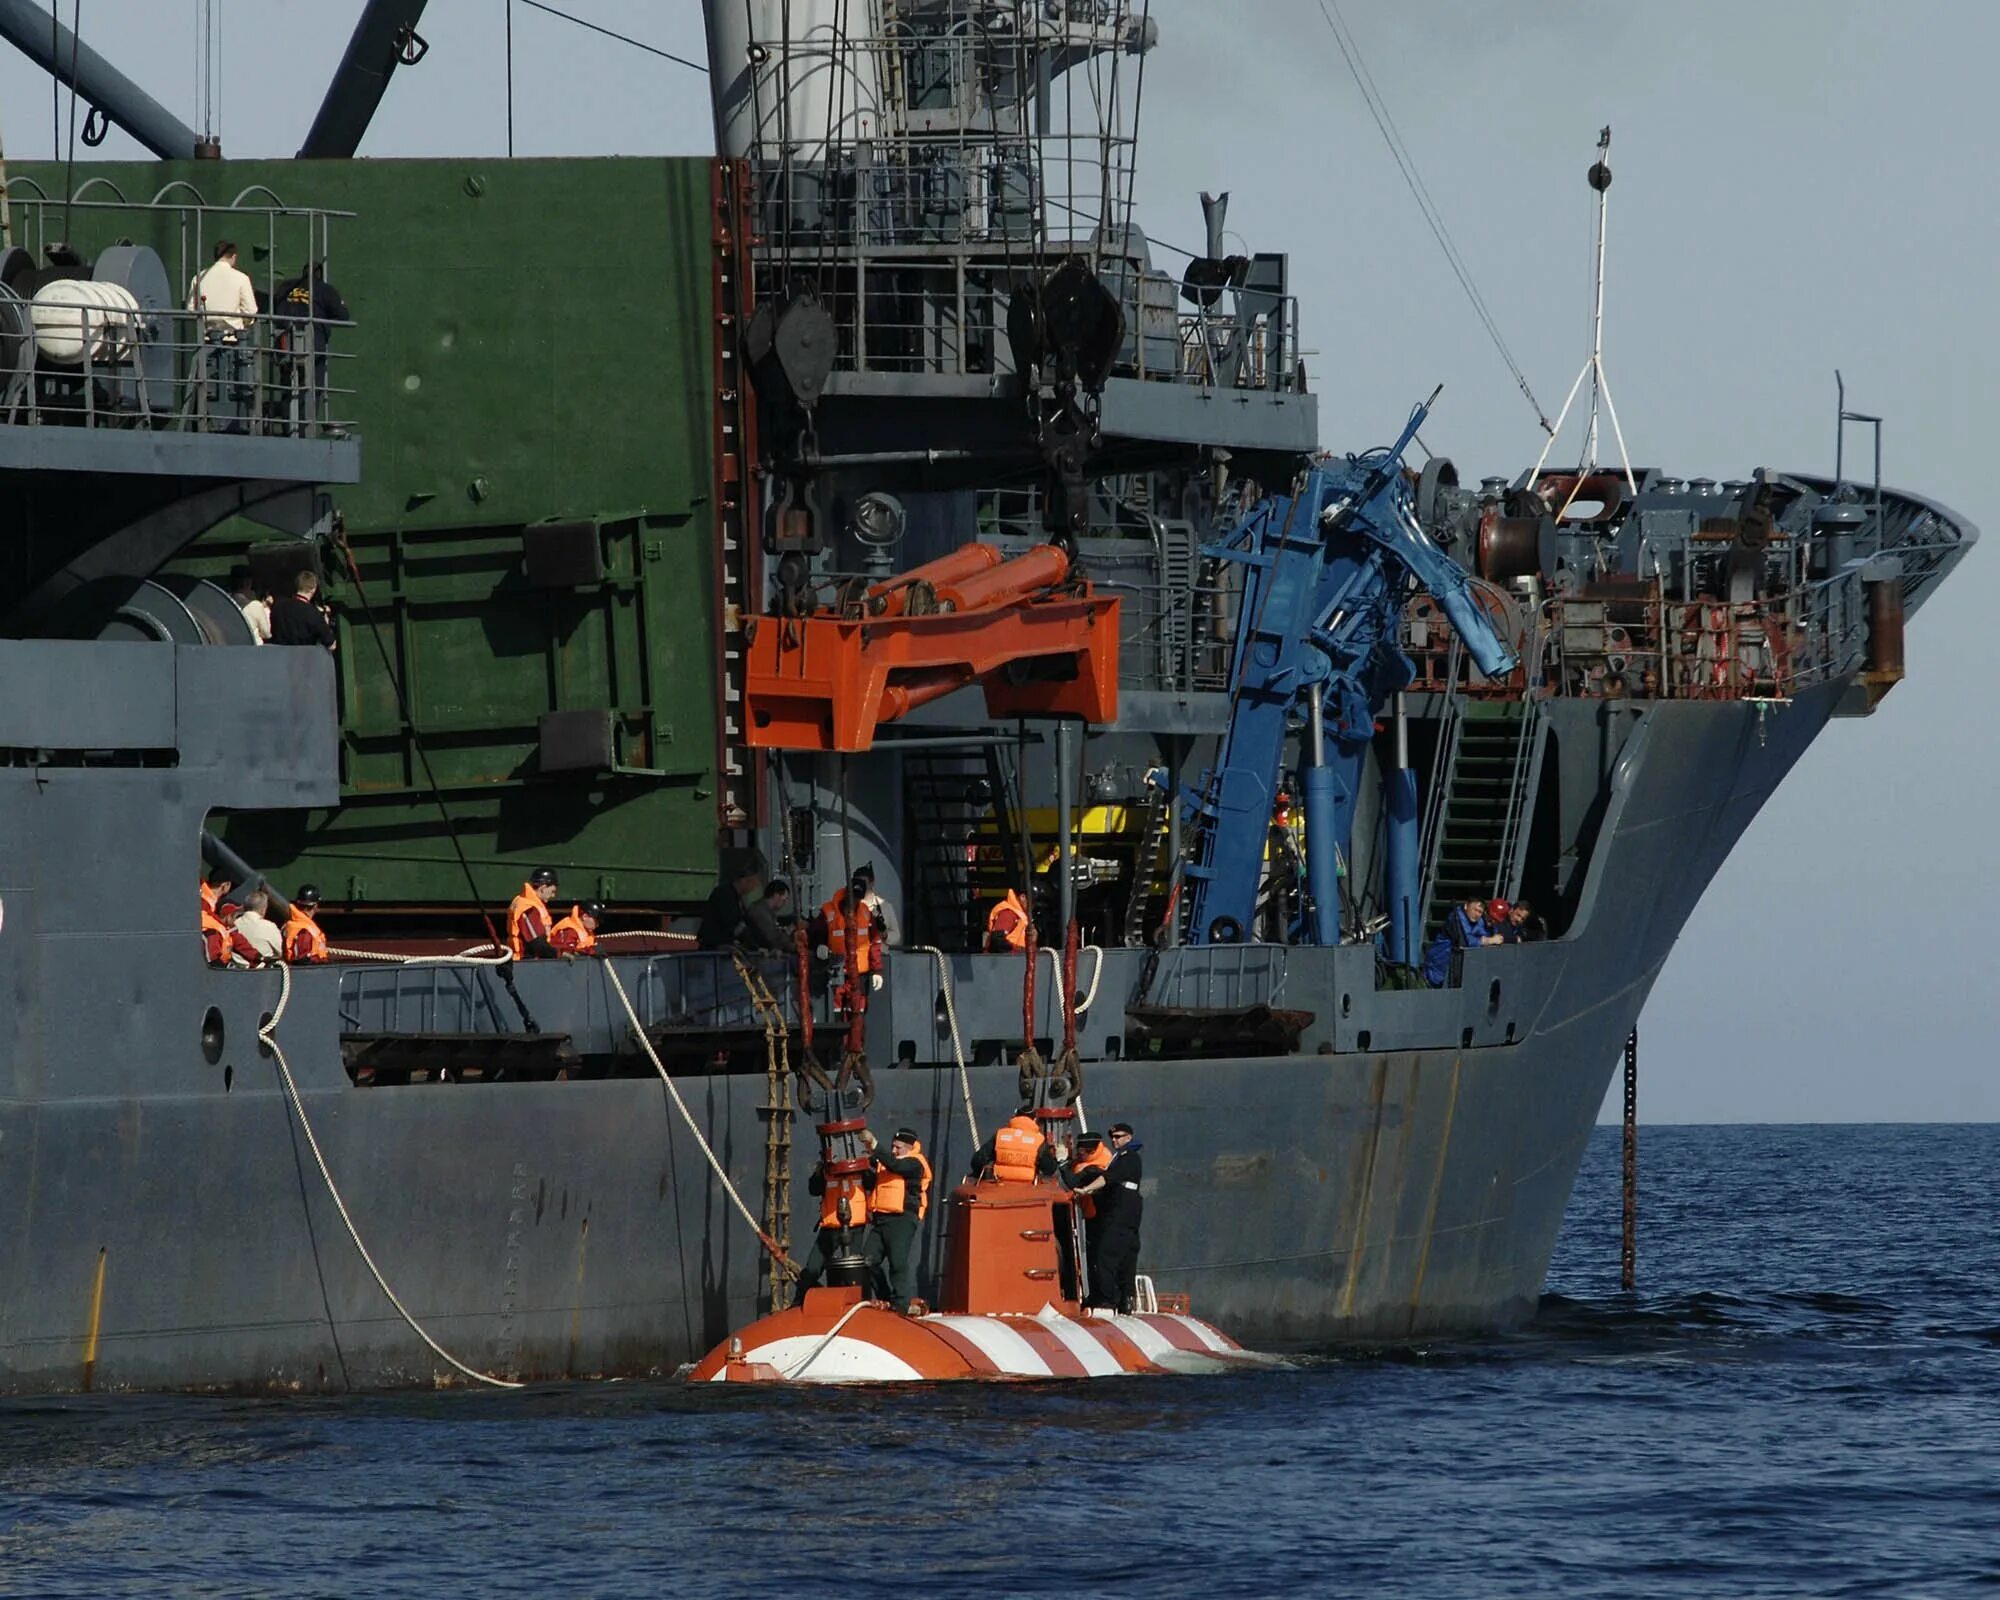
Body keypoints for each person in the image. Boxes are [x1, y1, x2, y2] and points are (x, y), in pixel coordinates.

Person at [1070, 1122, 1144, 1311]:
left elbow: (1109, 1178)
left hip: (1120, 1213)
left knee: (1106, 1257)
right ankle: (1125, 1300)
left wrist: (1086, 1189)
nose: (1114, 1140)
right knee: (1126, 1257)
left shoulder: (1128, 1158)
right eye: (1112, 1137)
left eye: (1118, 1136)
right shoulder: (1120, 1158)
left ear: (1129, 1137)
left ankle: (1107, 1300)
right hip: (1126, 1213)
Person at [270, 261, 350, 429]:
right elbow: (343, 316)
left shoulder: (286, 287)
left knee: (287, 389)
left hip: (285, 345)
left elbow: (274, 307)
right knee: (312, 389)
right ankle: (306, 428)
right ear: (320, 274)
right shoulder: (325, 290)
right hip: (313, 347)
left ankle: (287, 428)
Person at [186, 240, 256, 432]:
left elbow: (191, 310)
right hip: (235, 344)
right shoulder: (241, 278)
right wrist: (244, 324)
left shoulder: (199, 278)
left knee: (205, 390)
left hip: (206, 344)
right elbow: (251, 311)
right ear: (233, 256)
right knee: (238, 391)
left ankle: (202, 423)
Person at [864, 1127, 932, 1312]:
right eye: (892, 1147)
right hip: (881, 1220)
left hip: (902, 1219)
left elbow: (896, 1166)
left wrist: (876, 1145)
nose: (893, 1150)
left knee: (898, 1262)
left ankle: (901, 1304)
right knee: (867, 1261)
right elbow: (873, 1178)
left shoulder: (915, 1163)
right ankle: (885, 1297)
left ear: (910, 1147)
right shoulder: (886, 1162)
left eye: (898, 1147)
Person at [796, 1154, 875, 1292]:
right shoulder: (826, 1170)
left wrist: (865, 1164)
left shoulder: (861, 1169)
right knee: (813, 1267)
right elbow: (814, 1189)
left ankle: (860, 1299)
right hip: (831, 1226)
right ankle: (800, 1299)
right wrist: (819, 1171)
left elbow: (872, 1182)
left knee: (855, 1267)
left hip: (855, 1226)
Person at [812, 871, 883, 988]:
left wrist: (877, 971)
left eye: (857, 898)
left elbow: (875, 942)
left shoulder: (866, 914)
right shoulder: (828, 911)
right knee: (835, 1005)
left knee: (859, 1005)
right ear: (846, 893)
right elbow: (816, 932)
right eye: (852, 896)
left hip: (860, 976)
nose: (853, 901)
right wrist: (820, 945)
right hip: (834, 974)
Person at [697, 861, 780, 951]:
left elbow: (750, 924)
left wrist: (769, 947)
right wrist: (756, 948)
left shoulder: (737, 898)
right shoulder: (725, 894)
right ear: (744, 880)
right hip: (713, 950)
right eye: (754, 882)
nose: (755, 886)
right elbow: (736, 926)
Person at [1420, 895, 1498, 987]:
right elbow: (1465, 941)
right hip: (1438, 964)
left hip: (1453, 967)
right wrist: (1488, 940)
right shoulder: (1455, 917)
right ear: (1466, 906)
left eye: (1480, 912)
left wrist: (1493, 933)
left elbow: (1484, 931)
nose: (1477, 914)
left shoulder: (1477, 921)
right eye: (1475, 910)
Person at [968, 1106, 1058, 1183]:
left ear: (1015, 1116)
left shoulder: (1000, 1135)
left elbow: (977, 1161)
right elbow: (1049, 1169)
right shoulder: (1039, 1140)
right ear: (1035, 1119)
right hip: (1027, 1186)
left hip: (999, 1184)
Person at [269, 571, 336, 651]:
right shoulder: (313, 613)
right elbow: (331, 645)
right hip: (304, 659)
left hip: (280, 657)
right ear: (313, 589)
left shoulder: (278, 607)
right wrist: (325, 624)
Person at [508, 867, 563, 960]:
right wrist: (559, 954)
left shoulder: (525, 902)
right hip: (525, 962)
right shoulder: (528, 908)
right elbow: (537, 944)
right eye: (552, 891)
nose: (553, 896)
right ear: (543, 888)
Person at [852, 862, 901, 949]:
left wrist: (885, 935)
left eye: (864, 883)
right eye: (858, 883)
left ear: (872, 883)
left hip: (881, 956)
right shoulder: (850, 907)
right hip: (859, 956)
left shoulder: (885, 906)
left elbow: (896, 935)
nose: (861, 887)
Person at [232, 887, 285, 965]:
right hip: (263, 972)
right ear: (263, 909)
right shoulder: (269, 927)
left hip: (235, 970)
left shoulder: (233, 925)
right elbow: (281, 952)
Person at [283, 885, 329, 963]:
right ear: (315, 906)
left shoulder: (291, 924)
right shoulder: (304, 931)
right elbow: (303, 960)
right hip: (311, 971)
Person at [229, 566, 271, 644]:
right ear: (248, 583)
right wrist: (266, 609)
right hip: (254, 650)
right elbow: (266, 633)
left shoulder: (225, 603)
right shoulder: (255, 605)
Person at [985, 887, 1030, 952]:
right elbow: (997, 940)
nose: (1033, 905)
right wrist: (1018, 950)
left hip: (1015, 959)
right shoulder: (1008, 913)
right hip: (1004, 959)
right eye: (1032, 901)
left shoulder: (1019, 915)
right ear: (1022, 897)